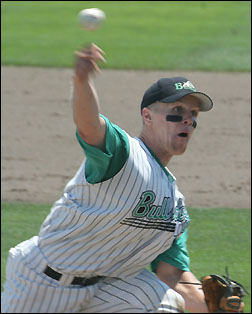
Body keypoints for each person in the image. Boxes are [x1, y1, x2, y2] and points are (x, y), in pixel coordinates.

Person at [1, 43, 213, 313]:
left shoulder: (175, 209)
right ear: (147, 116)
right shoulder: (122, 153)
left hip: (105, 290)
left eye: (193, 115)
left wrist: (214, 308)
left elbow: (172, 276)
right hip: (44, 282)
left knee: (162, 303)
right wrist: (81, 80)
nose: (187, 120)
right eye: (178, 111)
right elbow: (90, 126)